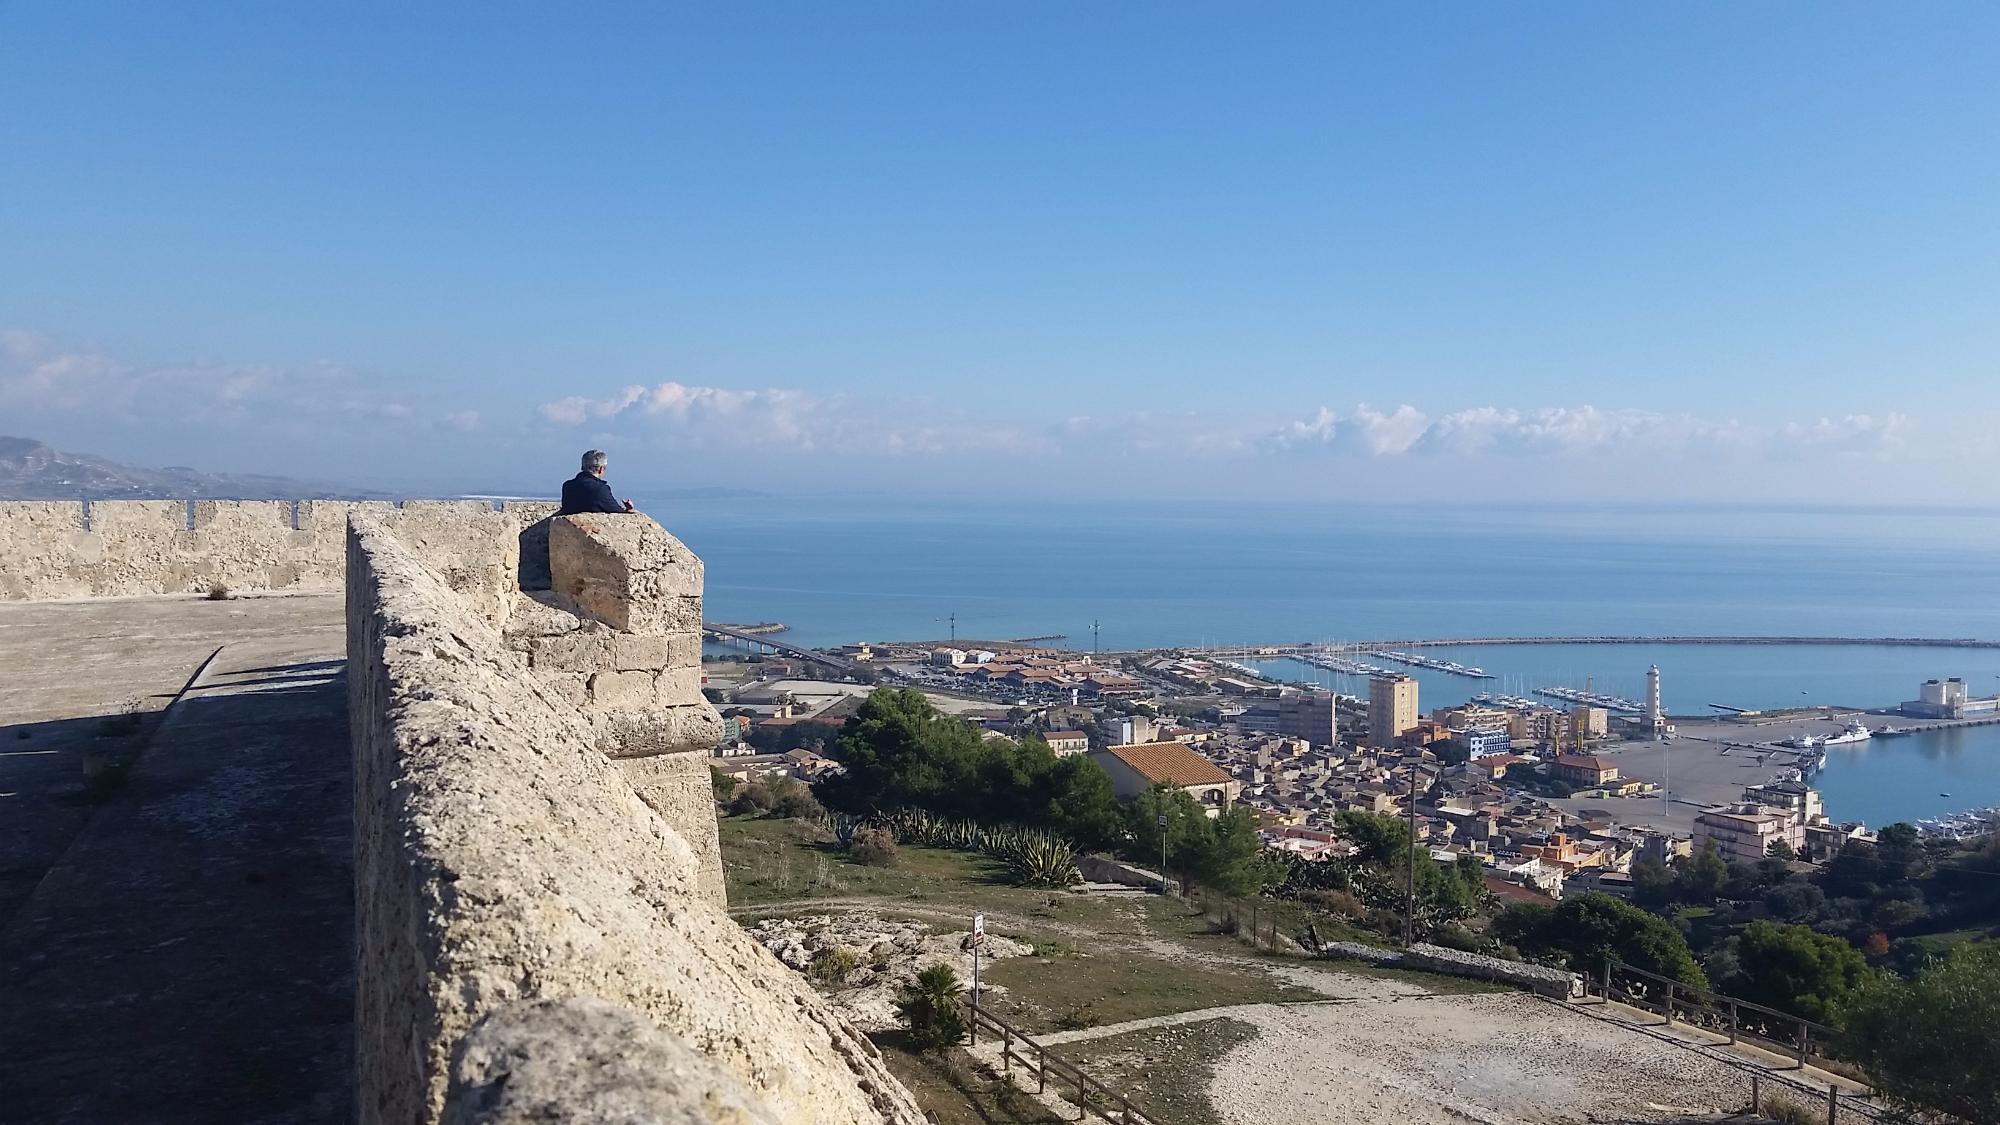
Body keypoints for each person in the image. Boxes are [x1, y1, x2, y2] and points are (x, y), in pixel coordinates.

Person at [558, 449, 635, 515]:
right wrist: (629, 509)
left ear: (582, 466)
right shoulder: (600, 489)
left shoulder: (567, 486)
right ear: (601, 469)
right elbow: (617, 512)